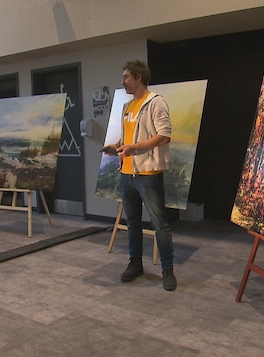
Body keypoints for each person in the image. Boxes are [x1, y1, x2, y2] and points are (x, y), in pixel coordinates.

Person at [101, 60, 176, 291]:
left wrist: (135, 148)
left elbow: (164, 135)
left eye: (126, 77)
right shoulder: (128, 107)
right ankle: (136, 264)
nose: (123, 82)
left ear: (139, 77)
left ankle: (167, 270)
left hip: (148, 174)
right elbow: (130, 139)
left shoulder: (156, 103)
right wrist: (118, 147)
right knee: (132, 222)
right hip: (127, 174)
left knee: (159, 224)